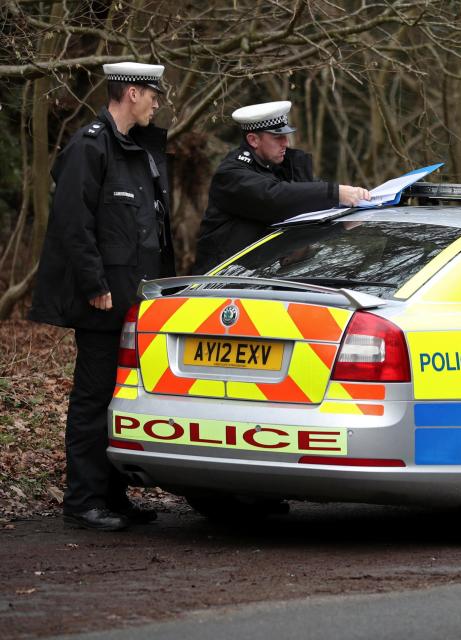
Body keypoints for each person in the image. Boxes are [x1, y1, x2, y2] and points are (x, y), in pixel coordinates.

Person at [30, 62, 175, 531]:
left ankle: (113, 497)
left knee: (122, 398)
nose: (157, 102)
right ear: (132, 92)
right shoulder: (90, 146)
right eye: (153, 93)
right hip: (103, 301)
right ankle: (84, 501)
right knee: (94, 399)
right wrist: (95, 286)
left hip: (136, 300)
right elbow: (73, 224)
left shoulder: (136, 150)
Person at [193, 100, 370, 274]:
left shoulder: (283, 166)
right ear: (253, 140)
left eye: (286, 136)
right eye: (278, 137)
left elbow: (308, 197)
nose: (285, 143)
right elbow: (275, 198)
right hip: (221, 282)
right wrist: (336, 192)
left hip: (267, 278)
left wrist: (346, 212)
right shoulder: (232, 174)